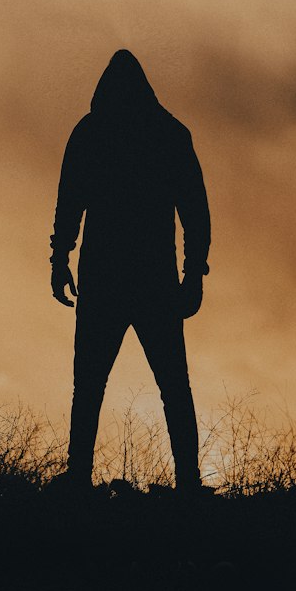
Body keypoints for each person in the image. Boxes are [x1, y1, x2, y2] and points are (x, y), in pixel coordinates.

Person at [50, 49, 211, 492]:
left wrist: (60, 258)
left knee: (91, 386)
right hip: (149, 279)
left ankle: (81, 477)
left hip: (107, 278)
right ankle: (187, 481)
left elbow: (70, 205)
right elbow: (195, 212)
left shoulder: (90, 133)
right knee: (172, 386)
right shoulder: (168, 134)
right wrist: (193, 273)